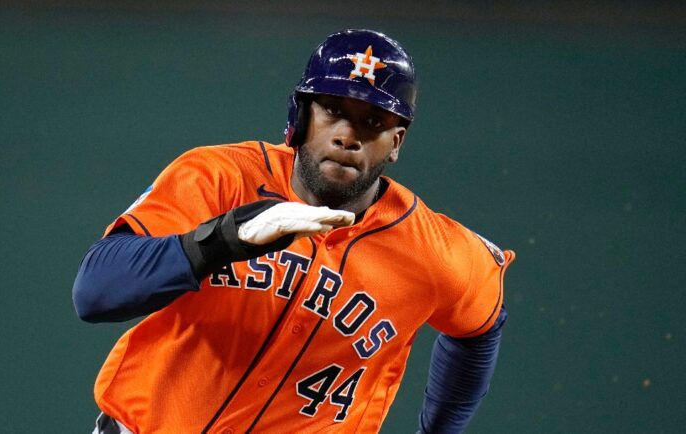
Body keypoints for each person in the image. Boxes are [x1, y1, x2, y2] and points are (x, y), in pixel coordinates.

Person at [73, 29, 515, 434]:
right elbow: (94, 293)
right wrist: (222, 240)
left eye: (373, 122)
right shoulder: (220, 178)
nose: (347, 135)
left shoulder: (434, 250)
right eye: (333, 110)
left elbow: (479, 329)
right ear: (300, 115)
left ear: (396, 143)